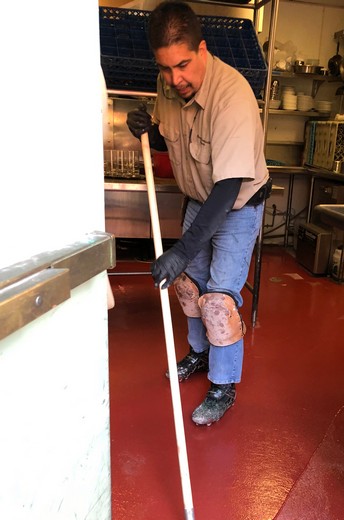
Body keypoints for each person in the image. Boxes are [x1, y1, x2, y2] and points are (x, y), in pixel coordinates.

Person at [127, 0, 271, 426]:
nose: (176, 79)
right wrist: (147, 131)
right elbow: (171, 138)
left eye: (184, 65)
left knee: (219, 299)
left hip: (236, 206)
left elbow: (227, 190)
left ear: (203, 49)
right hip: (196, 200)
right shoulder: (167, 83)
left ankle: (224, 384)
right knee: (190, 287)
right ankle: (199, 354)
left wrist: (180, 248)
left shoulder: (234, 97)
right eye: (167, 68)